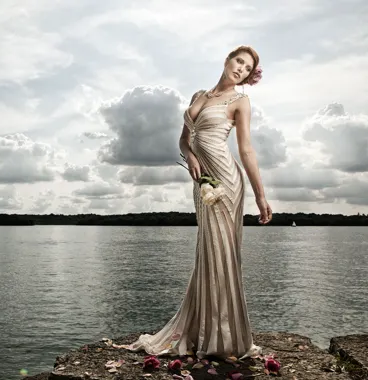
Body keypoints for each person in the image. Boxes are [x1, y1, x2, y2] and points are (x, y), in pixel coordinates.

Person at [117, 45, 273, 360]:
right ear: (227, 59)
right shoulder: (198, 96)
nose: (240, 69)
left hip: (227, 182)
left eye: (247, 68)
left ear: (247, 77)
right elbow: (183, 139)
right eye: (238, 61)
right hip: (203, 185)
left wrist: (260, 194)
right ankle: (206, 330)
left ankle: (225, 338)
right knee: (207, 254)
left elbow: (246, 150)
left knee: (223, 254)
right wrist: (188, 156)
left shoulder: (240, 101)